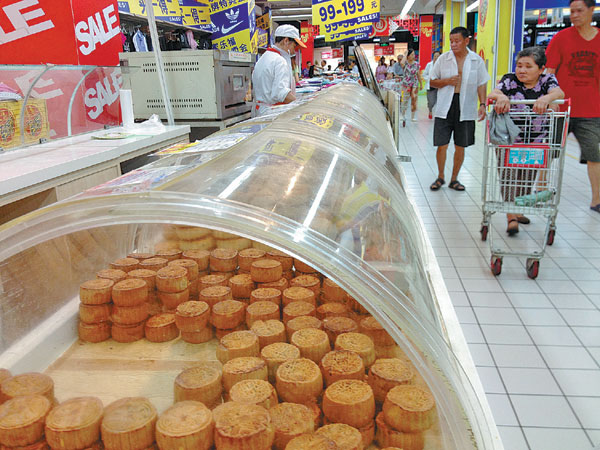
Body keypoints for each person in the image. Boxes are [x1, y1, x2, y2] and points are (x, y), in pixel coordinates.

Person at [487, 46, 565, 235]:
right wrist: (502, 96)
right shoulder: (509, 80)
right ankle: (511, 215)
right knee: (508, 176)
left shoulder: (547, 81)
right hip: (509, 140)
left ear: (541, 69)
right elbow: (493, 93)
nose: (522, 70)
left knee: (527, 176)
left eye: (528, 66)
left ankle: (517, 207)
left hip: (536, 140)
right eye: (519, 65)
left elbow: (559, 94)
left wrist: (546, 98)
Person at [545, 0, 600, 213]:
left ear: (591, 10)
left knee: (594, 155)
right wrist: (546, 99)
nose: (574, 15)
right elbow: (549, 70)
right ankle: (539, 190)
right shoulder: (561, 38)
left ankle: (597, 200)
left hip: (592, 111)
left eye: (579, 11)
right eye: (572, 11)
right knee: (549, 151)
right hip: (561, 108)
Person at [429, 27, 489, 191]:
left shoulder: (477, 61)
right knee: (442, 144)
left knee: (460, 145)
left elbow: (482, 84)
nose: (453, 44)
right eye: (451, 41)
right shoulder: (443, 59)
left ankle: (454, 179)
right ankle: (440, 176)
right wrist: (447, 81)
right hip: (445, 106)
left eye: (457, 41)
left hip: (466, 106)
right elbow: (432, 82)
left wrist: (482, 104)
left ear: (466, 41)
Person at [251, 24, 307, 116]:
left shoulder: (264, 57)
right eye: (294, 46)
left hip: (261, 110)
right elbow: (280, 93)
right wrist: (301, 105)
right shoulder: (279, 61)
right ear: (286, 41)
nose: (294, 51)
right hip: (272, 113)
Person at [401, 49, 423, 122]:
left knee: (414, 99)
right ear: (408, 56)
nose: (413, 56)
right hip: (406, 84)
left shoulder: (416, 64)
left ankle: (413, 116)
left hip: (414, 84)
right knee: (405, 100)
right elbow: (401, 63)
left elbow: (418, 74)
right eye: (412, 54)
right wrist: (405, 54)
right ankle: (403, 115)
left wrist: (421, 84)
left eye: (414, 54)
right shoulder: (405, 63)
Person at [422, 51, 441, 119]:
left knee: (438, 100)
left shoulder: (442, 65)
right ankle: (430, 110)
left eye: (438, 56)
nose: (436, 58)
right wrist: (430, 79)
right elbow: (424, 75)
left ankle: (437, 114)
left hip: (439, 86)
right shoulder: (429, 65)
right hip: (431, 86)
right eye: (435, 56)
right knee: (431, 101)